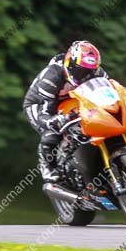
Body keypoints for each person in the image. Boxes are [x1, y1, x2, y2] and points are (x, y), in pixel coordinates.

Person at [23, 41, 108, 184]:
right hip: (40, 104)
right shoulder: (52, 76)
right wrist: (53, 121)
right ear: (70, 64)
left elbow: (111, 89)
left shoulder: (98, 73)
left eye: (89, 72)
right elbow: (46, 110)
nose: (84, 76)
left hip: (70, 101)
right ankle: (47, 167)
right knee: (52, 132)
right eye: (80, 71)